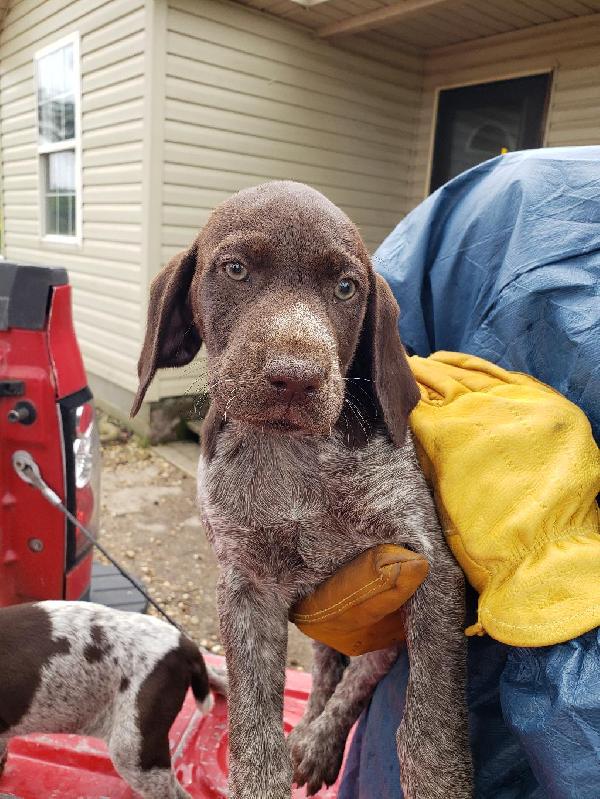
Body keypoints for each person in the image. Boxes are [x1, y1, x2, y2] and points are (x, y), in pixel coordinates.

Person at [339, 146, 600, 799]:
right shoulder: (511, 204)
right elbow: (351, 376)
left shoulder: (510, 195)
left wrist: (547, 568)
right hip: (437, 692)